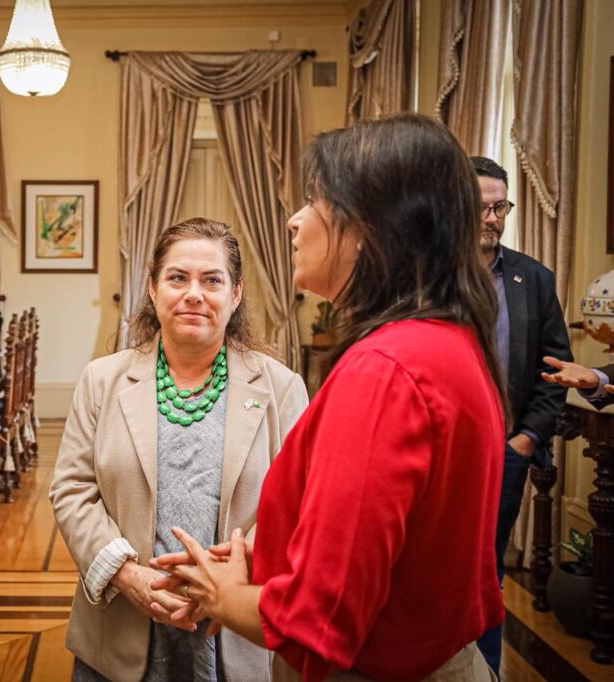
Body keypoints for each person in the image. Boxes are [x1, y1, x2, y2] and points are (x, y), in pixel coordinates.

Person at [153, 115, 506, 681]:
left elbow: (320, 617)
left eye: (315, 200)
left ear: (368, 227)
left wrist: (222, 595)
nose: (294, 221)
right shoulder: (448, 341)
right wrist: (258, 567)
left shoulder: (384, 371)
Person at [50, 218, 309, 681]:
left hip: (235, 630)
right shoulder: (102, 380)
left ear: (236, 294)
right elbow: (72, 490)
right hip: (122, 625)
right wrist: (127, 575)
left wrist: (220, 583)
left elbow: (295, 506)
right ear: (152, 289)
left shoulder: (282, 389)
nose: (194, 293)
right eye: (177, 278)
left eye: (212, 280)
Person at [466, 156, 571, 672]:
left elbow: (558, 369)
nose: (493, 217)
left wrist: (527, 437)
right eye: (482, 207)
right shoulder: (428, 275)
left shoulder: (535, 278)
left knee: (488, 568)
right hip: (442, 453)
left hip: (507, 453)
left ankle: (485, 669)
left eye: (500, 207)